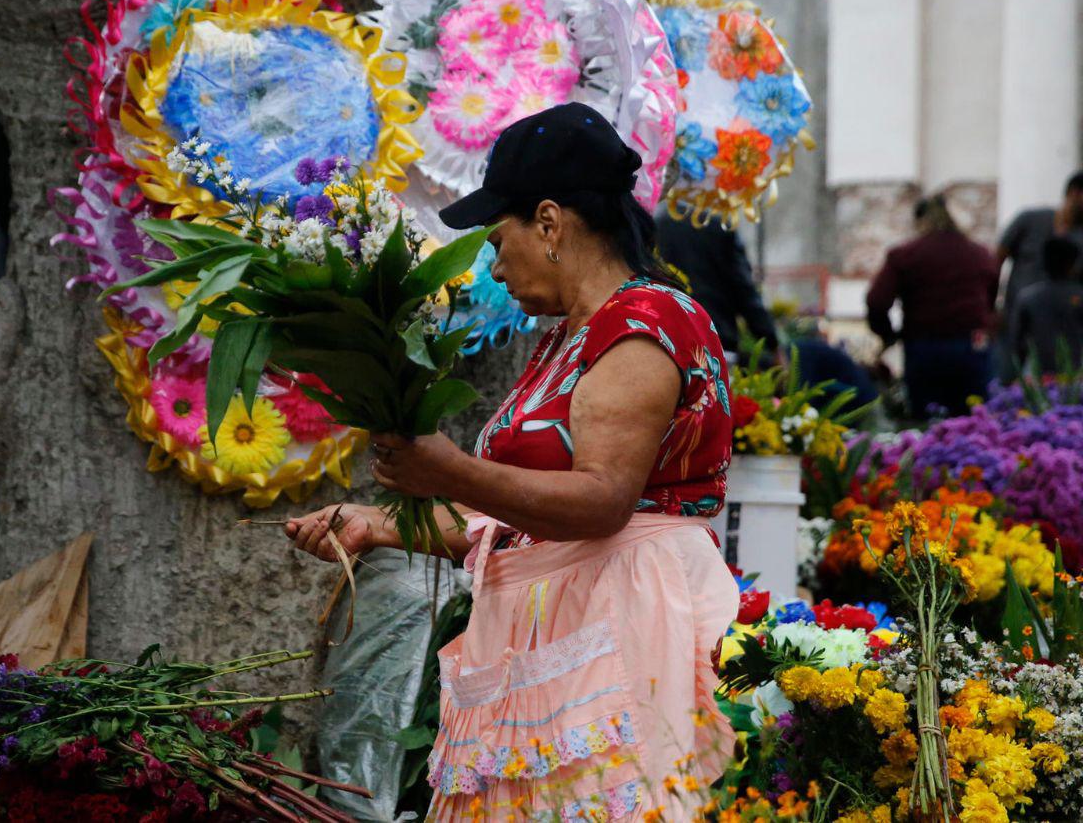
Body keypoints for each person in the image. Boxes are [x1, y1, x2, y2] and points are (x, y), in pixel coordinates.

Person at [285, 103, 737, 819]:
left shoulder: (644, 324)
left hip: (621, 615)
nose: (495, 264)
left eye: (500, 240)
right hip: (555, 621)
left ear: (550, 223)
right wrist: (376, 524)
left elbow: (601, 501)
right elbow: (512, 521)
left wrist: (450, 471)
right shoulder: (569, 338)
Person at [866, 194, 998, 418]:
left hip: (925, 349)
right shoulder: (980, 254)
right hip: (972, 347)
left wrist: (887, 335)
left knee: (926, 425)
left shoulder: (906, 255)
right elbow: (990, 300)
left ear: (919, 221)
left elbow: (877, 301)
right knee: (975, 422)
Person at [654, 204, 779, 359]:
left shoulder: (655, 223)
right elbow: (744, 289)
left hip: (667, 342)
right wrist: (772, 342)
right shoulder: (718, 225)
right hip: (717, 341)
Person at [997, 171, 1083, 375]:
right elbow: (996, 259)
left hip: (1064, 331)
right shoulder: (1030, 220)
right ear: (1075, 193)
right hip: (1017, 321)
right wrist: (991, 307)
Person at [1012, 236, 1083, 374]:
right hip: (1076, 374)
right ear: (1072, 264)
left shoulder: (1028, 297)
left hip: (1039, 376)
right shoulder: (1079, 296)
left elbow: (1018, 345)